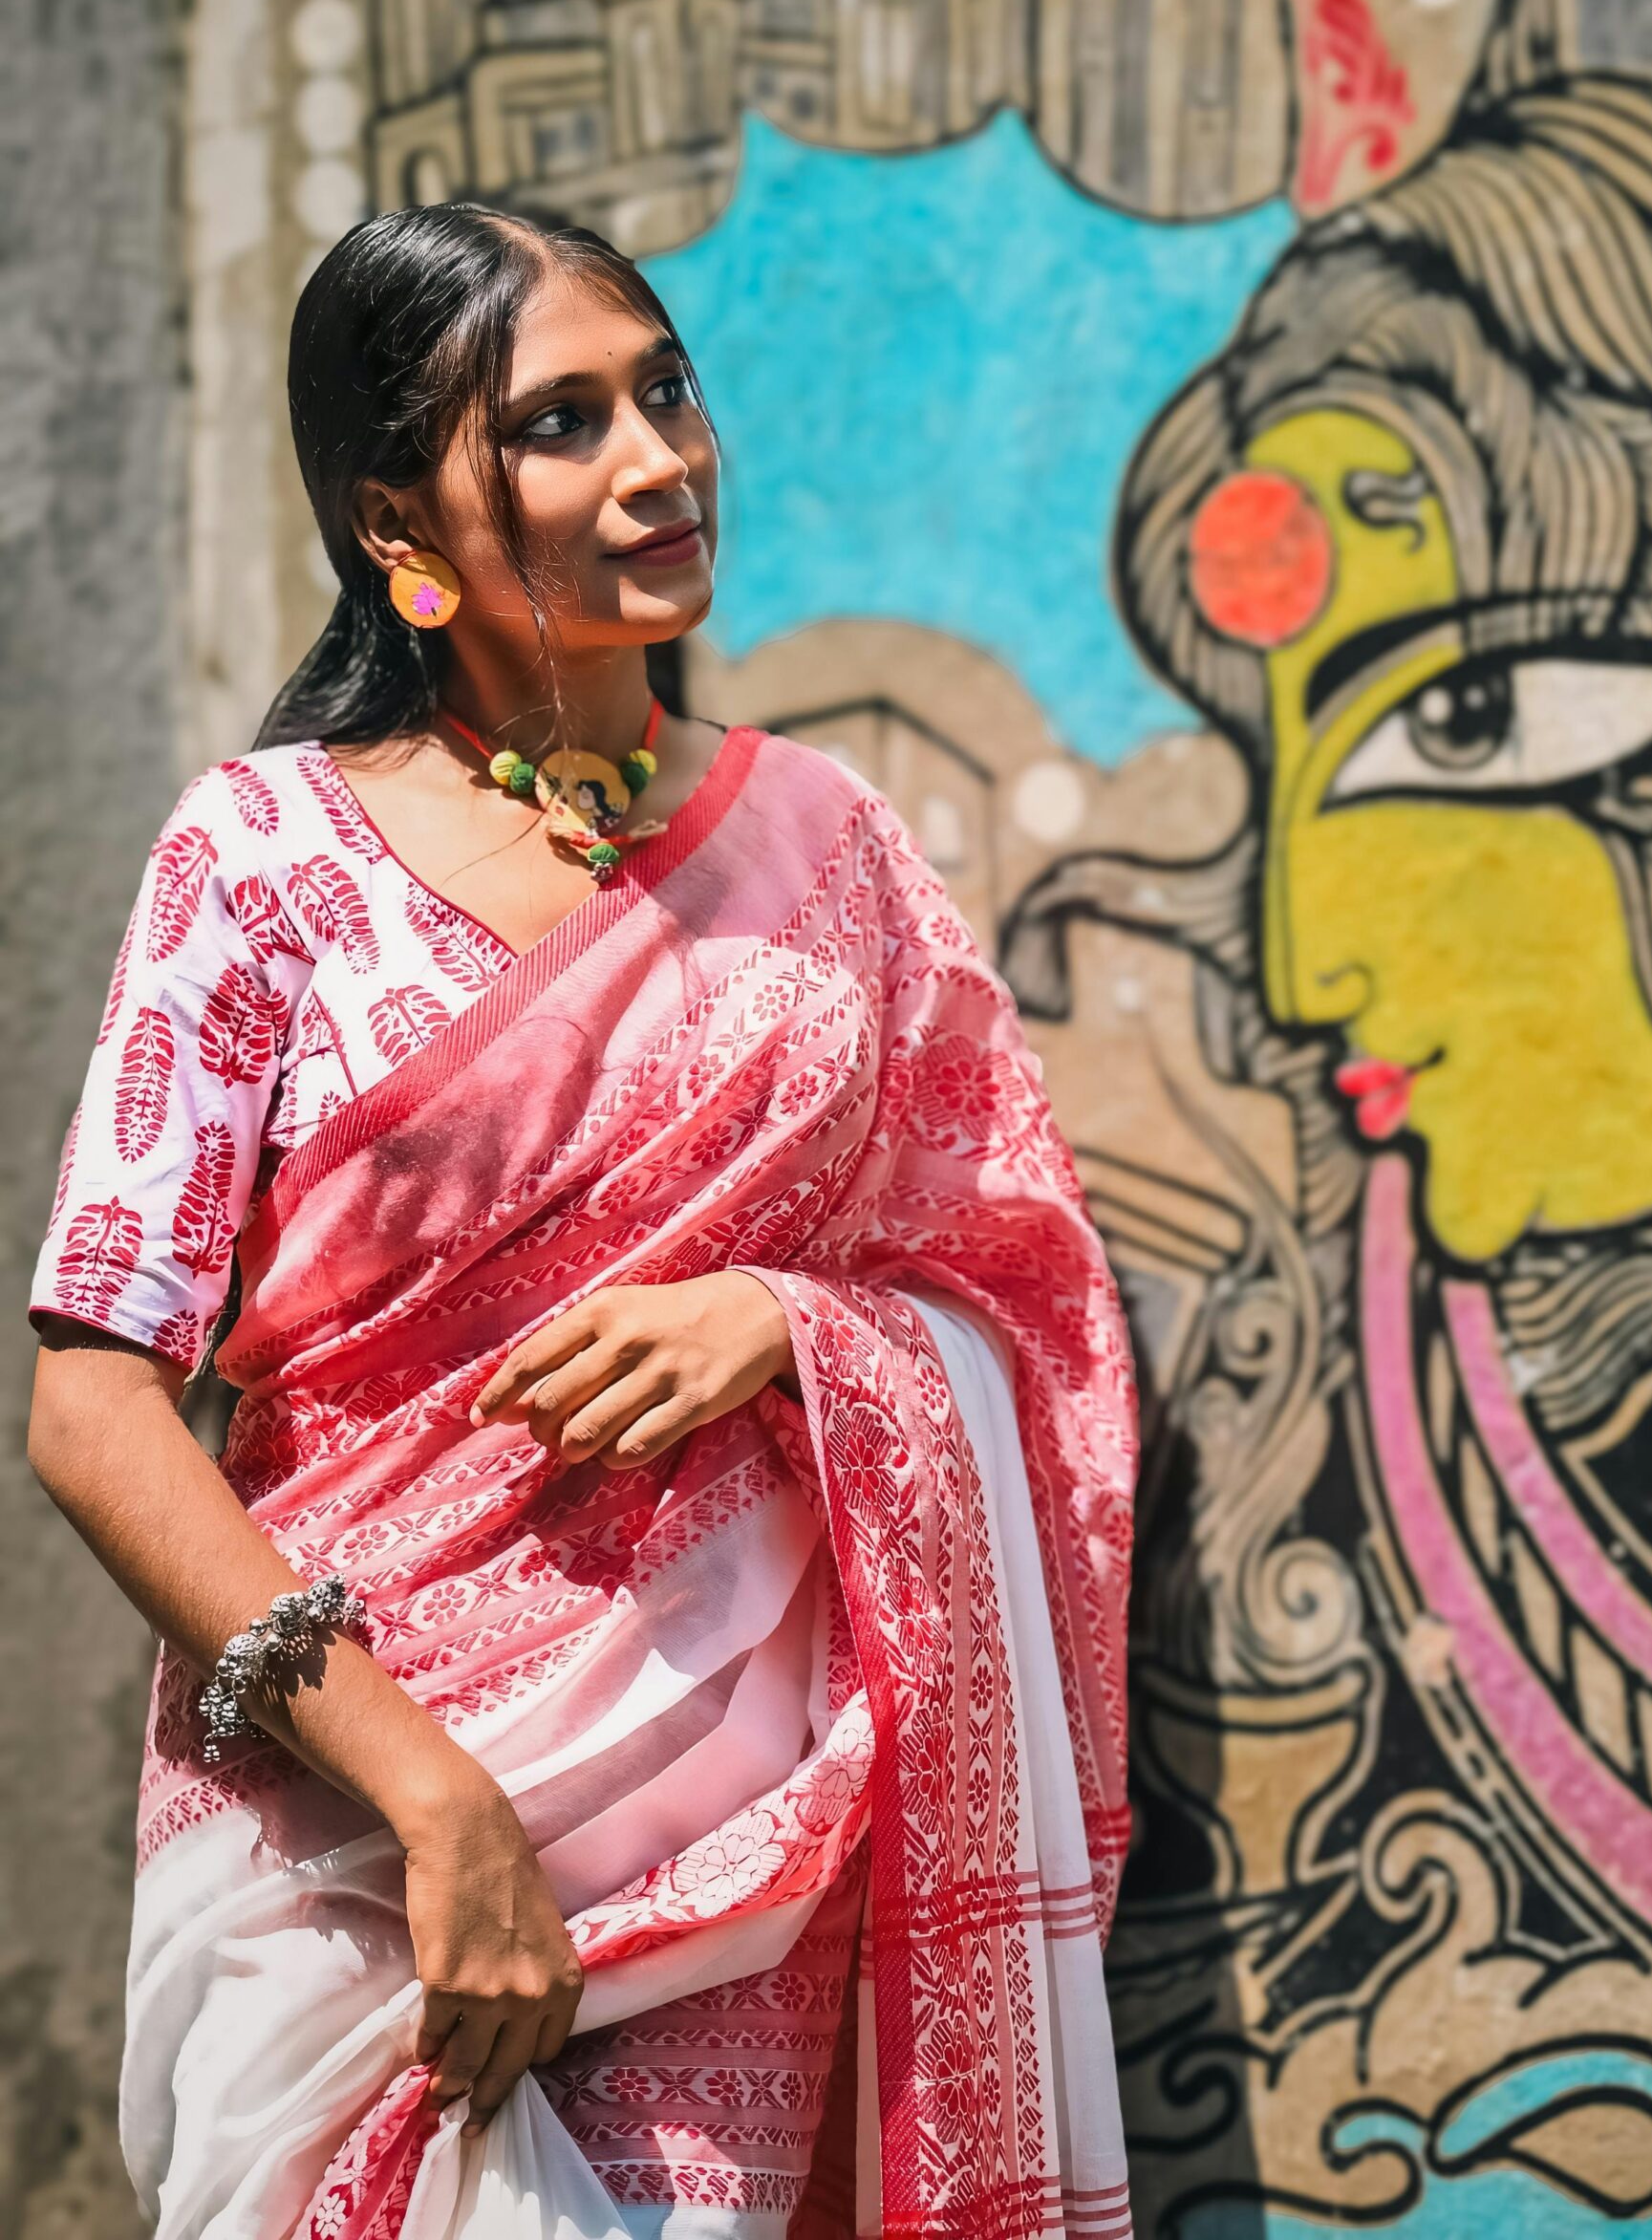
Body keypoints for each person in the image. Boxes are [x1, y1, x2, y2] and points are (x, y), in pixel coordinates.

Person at [26, 205, 1138, 2240]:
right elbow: (95, 1401)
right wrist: (434, 1797)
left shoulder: (831, 848)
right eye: (559, 420)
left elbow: (1024, 1297)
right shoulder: (263, 858)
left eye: (664, 391)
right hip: (348, 1848)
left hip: (735, 1838)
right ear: (400, 518)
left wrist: (790, 1326)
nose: (657, 459)